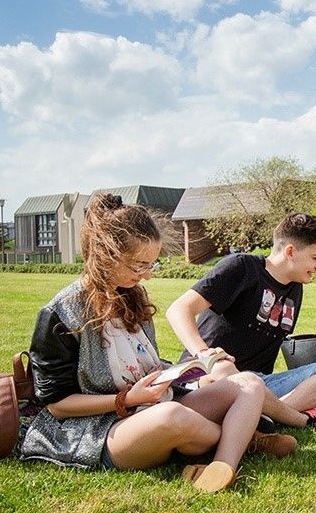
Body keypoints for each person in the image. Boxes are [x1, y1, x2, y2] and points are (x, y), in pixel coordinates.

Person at [21, 194, 288, 493]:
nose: (147, 275)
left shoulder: (133, 298)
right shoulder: (61, 313)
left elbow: (145, 366)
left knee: (248, 382)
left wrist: (196, 369)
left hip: (156, 404)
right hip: (104, 427)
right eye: (138, 266)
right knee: (172, 417)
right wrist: (126, 400)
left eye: (152, 265)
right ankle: (247, 437)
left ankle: (223, 465)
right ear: (106, 256)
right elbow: (56, 405)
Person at [166, 213, 316, 430]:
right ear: (290, 251)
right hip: (212, 377)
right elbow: (179, 309)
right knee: (225, 372)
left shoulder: (294, 287)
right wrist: (203, 353)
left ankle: (269, 414)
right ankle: (293, 417)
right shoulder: (243, 267)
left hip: (261, 385)